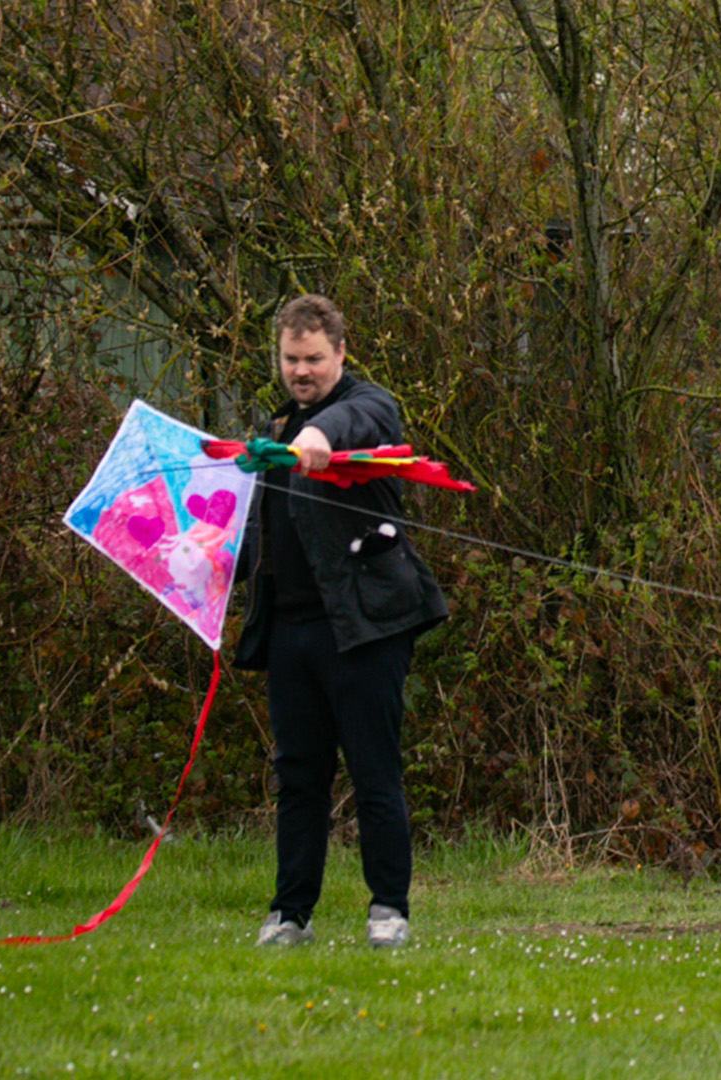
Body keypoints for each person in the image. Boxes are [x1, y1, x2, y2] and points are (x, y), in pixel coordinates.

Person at [233, 293, 448, 948]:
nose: (302, 371)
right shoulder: (271, 437)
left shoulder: (370, 407)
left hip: (366, 629)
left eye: (315, 360)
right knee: (298, 776)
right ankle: (289, 913)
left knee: (373, 769)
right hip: (292, 631)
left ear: (341, 355)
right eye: (292, 359)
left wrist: (320, 438)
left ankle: (389, 908)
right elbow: (252, 536)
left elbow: (358, 420)